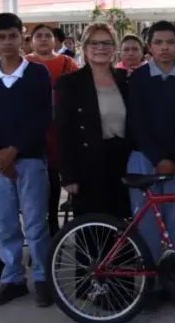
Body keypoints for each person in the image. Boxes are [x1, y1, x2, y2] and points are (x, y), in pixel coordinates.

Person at [0, 12, 53, 308]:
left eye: (12, 35)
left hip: (29, 158)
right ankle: (12, 278)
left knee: (35, 223)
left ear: (23, 37)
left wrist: (14, 149)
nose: (6, 42)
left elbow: (43, 116)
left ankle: (43, 278)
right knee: (4, 224)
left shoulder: (37, 73)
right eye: (0, 37)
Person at [127, 21, 175, 307]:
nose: (165, 48)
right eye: (158, 43)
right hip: (145, 159)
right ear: (150, 47)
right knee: (147, 225)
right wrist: (159, 158)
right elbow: (137, 122)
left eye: (170, 42)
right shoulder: (138, 79)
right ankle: (148, 286)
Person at [55, 23, 131, 219]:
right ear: (84, 48)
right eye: (94, 43)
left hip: (123, 163)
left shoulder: (124, 79)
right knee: (92, 227)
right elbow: (63, 132)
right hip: (87, 165)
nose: (101, 48)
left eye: (106, 42)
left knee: (122, 225)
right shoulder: (69, 83)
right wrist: (68, 176)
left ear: (114, 48)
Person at [26, 24, 79, 237]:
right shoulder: (24, 63)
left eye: (47, 36)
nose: (43, 40)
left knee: (62, 175)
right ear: (31, 41)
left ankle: (61, 225)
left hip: (62, 128)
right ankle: (43, 225)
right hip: (34, 129)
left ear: (55, 40)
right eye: (38, 36)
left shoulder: (67, 62)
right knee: (42, 179)